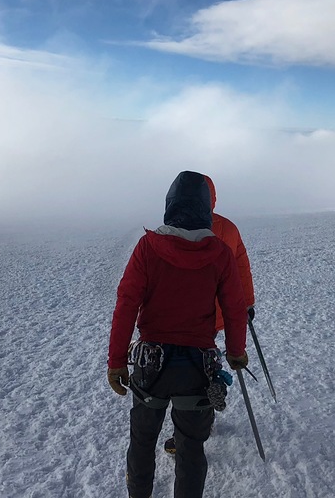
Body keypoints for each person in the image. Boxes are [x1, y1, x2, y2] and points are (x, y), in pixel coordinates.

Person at [107, 170, 249, 498]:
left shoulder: (147, 249)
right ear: (205, 209)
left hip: (150, 366)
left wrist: (116, 362)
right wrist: (235, 351)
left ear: (170, 205)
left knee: (142, 444)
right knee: (191, 449)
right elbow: (235, 307)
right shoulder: (220, 255)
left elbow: (126, 304)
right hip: (198, 368)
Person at [162, 174, 256, 455]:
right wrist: (247, 305)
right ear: (212, 198)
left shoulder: (175, 228)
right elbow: (242, 268)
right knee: (204, 369)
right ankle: (200, 420)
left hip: (183, 318)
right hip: (217, 316)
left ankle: (190, 430)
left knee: (184, 374)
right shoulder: (228, 228)